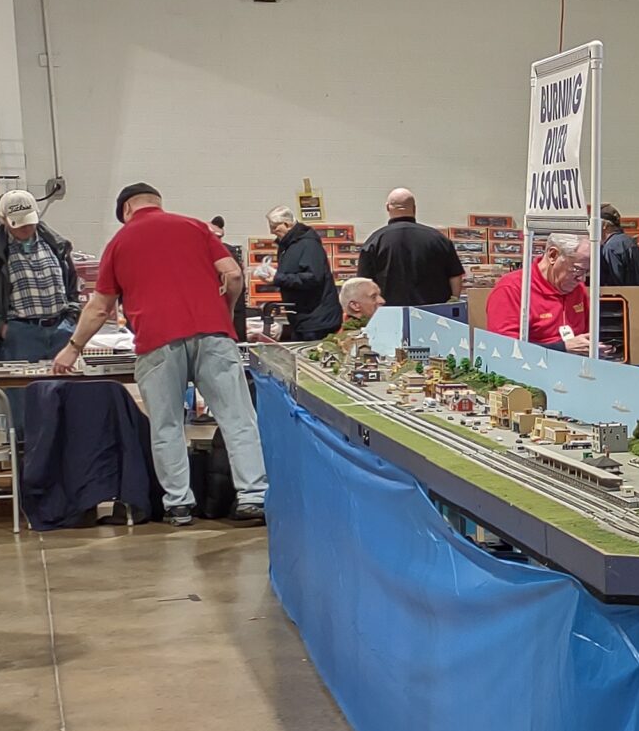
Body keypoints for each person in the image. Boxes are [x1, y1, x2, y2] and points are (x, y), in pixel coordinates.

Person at [53, 183, 266, 527]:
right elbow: (233, 274)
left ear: (126, 210)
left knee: (167, 426)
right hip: (213, 334)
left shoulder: (119, 242)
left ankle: (179, 505)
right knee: (238, 419)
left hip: (157, 340)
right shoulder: (195, 227)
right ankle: (253, 497)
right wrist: (223, 313)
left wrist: (73, 347)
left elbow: (100, 307)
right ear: (158, 203)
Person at [0, 190, 82, 362]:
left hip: (61, 331)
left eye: (29, 221)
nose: (25, 228)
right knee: (20, 380)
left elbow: (72, 285)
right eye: (17, 223)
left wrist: (71, 319)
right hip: (19, 336)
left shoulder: (57, 246)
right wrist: (1, 329)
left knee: (64, 379)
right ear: (3, 219)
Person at [357, 188, 467, 309]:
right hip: (435, 314)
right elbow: (455, 276)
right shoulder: (439, 239)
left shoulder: (374, 241)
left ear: (388, 208)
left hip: (390, 314)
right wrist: (452, 304)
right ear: (414, 208)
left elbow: (363, 283)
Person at [484, 235, 593, 352]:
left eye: (586, 272)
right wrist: (562, 348)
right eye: (577, 270)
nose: (582, 279)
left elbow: (587, 334)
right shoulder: (512, 289)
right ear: (553, 255)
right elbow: (504, 348)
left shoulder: (577, 289)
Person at [267, 204, 344, 341]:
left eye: (274, 227)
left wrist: (278, 278)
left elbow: (313, 277)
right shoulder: (287, 246)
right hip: (302, 317)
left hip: (316, 318)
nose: (271, 231)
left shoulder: (308, 244)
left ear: (287, 224)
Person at [597, 205, 639, 289]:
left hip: (622, 296)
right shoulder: (631, 242)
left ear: (604, 225)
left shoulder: (610, 248)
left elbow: (614, 285)